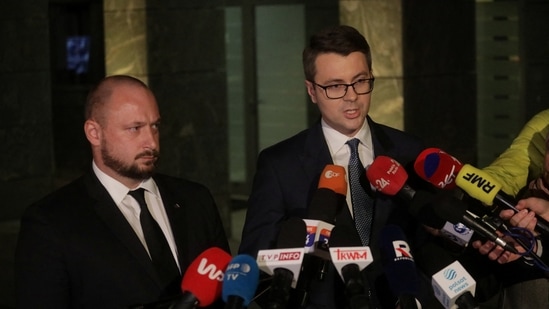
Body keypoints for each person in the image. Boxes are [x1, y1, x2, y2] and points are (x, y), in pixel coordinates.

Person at [238, 25, 439, 308]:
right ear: (311, 91)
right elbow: (257, 262)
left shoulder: (409, 152)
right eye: (335, 86)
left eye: (360, 81)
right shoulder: (279, 165)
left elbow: (429, 247)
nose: (351, 96)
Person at [15, 75, 231, 308]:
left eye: (155, 126)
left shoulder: (195, 200)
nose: (151, 142)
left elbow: (224, 293)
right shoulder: (51, 222)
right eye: (135, 128)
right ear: (94, 133)